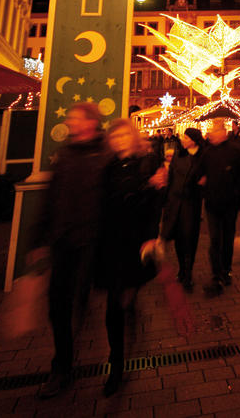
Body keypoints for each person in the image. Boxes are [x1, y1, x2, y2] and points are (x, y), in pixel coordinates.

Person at [31, 103, 111, 399]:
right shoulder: (65, 154)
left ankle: (69, 361)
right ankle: (62, 366)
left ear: (90, 122)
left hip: (91, 241)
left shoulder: (105, 155)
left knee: (78, 300)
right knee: (58, 306)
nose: (69, 122)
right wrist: (38, 240)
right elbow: (51, 197)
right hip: (63, 241)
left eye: (74, 118)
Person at [96, 118, 166, 396]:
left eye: (126, 135)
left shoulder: (146, 163)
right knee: (114, 304)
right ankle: (117, 360)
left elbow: (154, 203)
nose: (121, 140)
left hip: (135, 242)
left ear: (133, 137)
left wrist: (152, 234)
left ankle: (118, 361)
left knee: (121, 297)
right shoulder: (107, 168)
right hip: (111, 242)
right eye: (117, 136)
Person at [198, 113, 240, 296]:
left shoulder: (235, 151)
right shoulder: (208, 152)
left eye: (215, 130)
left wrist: (236, 191)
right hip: (212, 203)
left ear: (223, 132)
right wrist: (203, 184)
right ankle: (216, 273)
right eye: (211, 130)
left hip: (230, 203)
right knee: (215, 239)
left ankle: (226, 270)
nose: (211, 134)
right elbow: (199, 173)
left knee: (227, 238)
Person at [160, 127, 205, 291]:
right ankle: (182, 270)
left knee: (190, 239)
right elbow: (170, 178)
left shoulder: (202, 157)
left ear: (193, 139)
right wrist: (166, 199)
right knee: (179, 238)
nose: (183, 140)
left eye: (186, 137)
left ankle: (188, 272)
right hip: (174, 201)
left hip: (190, 203)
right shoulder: (178, 155)